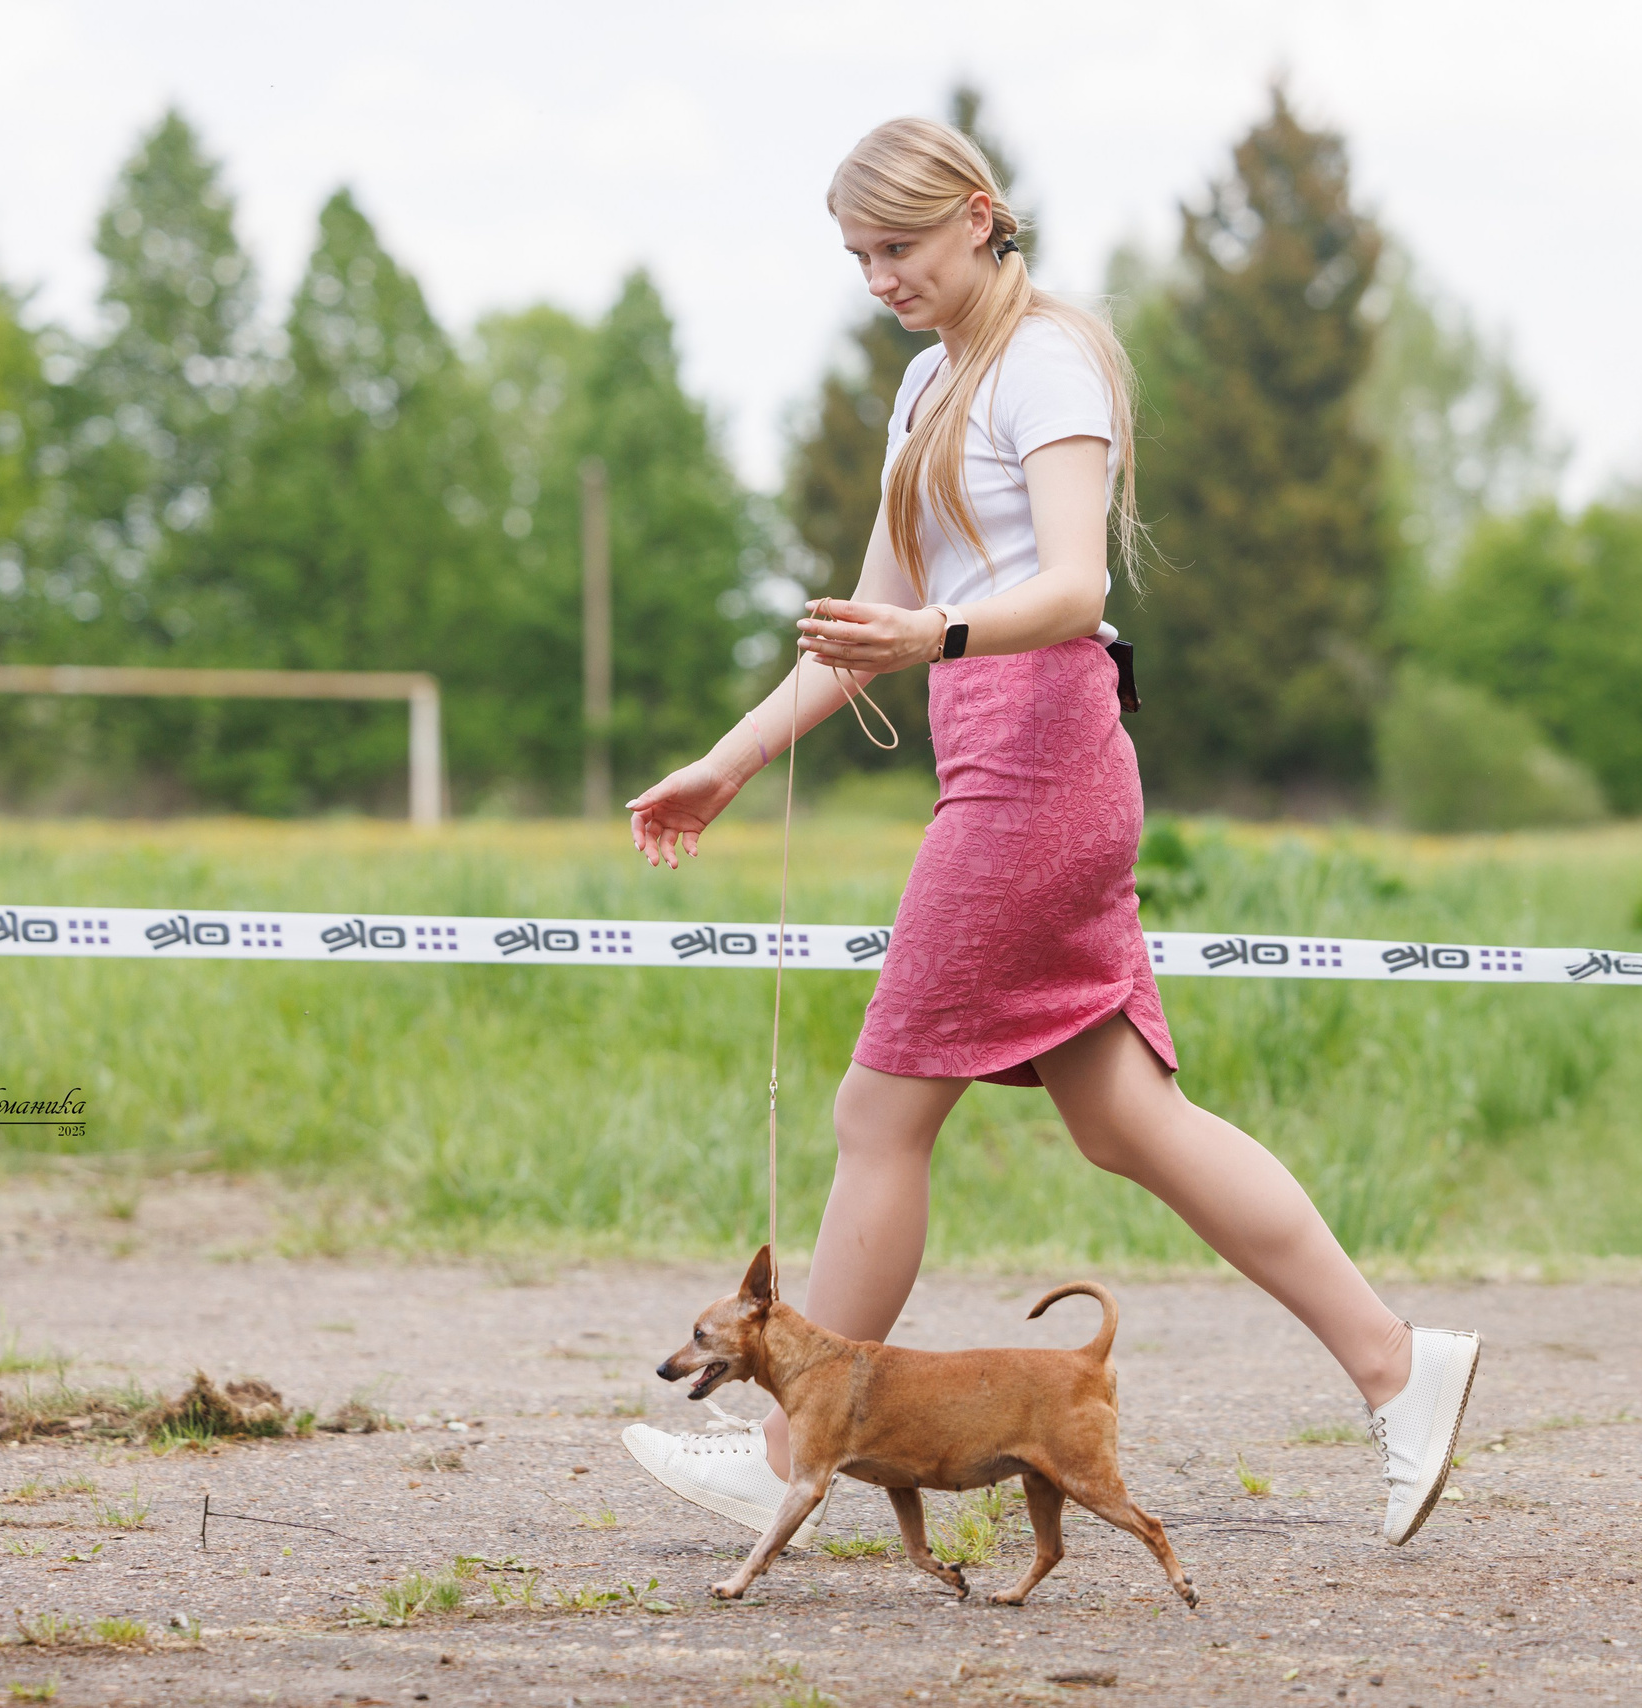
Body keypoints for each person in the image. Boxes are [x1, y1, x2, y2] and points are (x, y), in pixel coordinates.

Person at [619, 116, 1479, 1549]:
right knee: (1127, 1119)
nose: (877, 276)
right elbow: (860, 634)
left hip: (1038, 764)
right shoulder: (924, 390)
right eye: (856, 256)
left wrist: (933, 633)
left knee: (877, 1114)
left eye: (896, 246)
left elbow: (1073, 587)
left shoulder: (1051, 361)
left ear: (977, 216)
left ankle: (787, 1451)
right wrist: (721, 763)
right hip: (1003, 756)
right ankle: (1402, 1365)